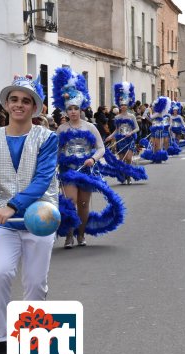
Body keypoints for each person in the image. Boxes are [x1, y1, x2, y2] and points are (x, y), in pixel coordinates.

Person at [0, 74, 58, 354]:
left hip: (41, 216)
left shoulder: (47, 137)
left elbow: (43, 179)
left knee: (34, 282)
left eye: (26, 101)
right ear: (6, 104)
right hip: (2, 220)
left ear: (35, 108)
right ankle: (3, 339)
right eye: (14, 99)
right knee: (0, 273)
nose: (19, 105)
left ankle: (31, 336)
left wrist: (13, 206)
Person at [52, 67, 107, 248]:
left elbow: (101, 148)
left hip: (86, 170)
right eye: (70, 109)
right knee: (71, 202)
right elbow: (55, 151)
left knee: (83, 203)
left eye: (76, 108)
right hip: (68, 171)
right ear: (66, 111)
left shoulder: (90, 127)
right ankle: (69, 234)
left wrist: (93, 159)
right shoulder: (61, 129)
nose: (73, 112)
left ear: (81, 108)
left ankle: (81, 234)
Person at [105, 82, 139, 184]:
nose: (123, 106)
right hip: (120, 140)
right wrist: (110, 137)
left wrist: (131, 133)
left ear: (127, 105)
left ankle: (128, 175)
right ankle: (125, 175)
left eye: (125, 104)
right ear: (119, 106)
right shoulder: (117, 117)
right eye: (121, 105)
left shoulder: (132, 116)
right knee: (122, 160)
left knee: (128, 158)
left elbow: (137, 128)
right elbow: (116, 129)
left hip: (129, 139)